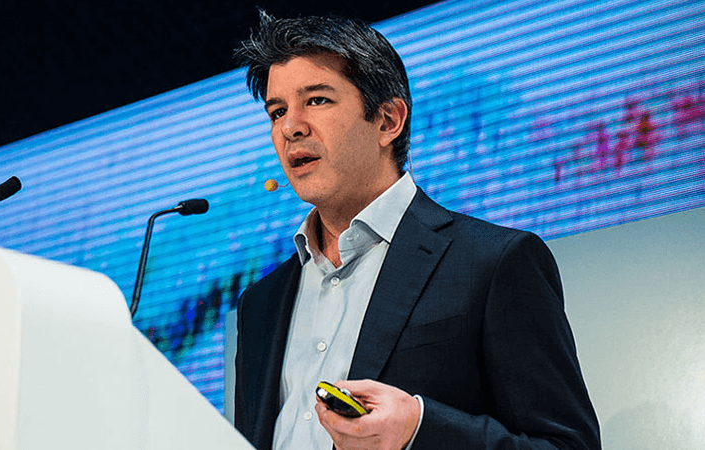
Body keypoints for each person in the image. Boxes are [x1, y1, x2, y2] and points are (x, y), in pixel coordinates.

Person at [232, 12, 600, 450]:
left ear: (388, 120)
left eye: (317, 100)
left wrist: (419, 429)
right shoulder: (260, 304)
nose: (290, 127)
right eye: (277, 111)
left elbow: (567, 445)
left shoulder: (493, 262)